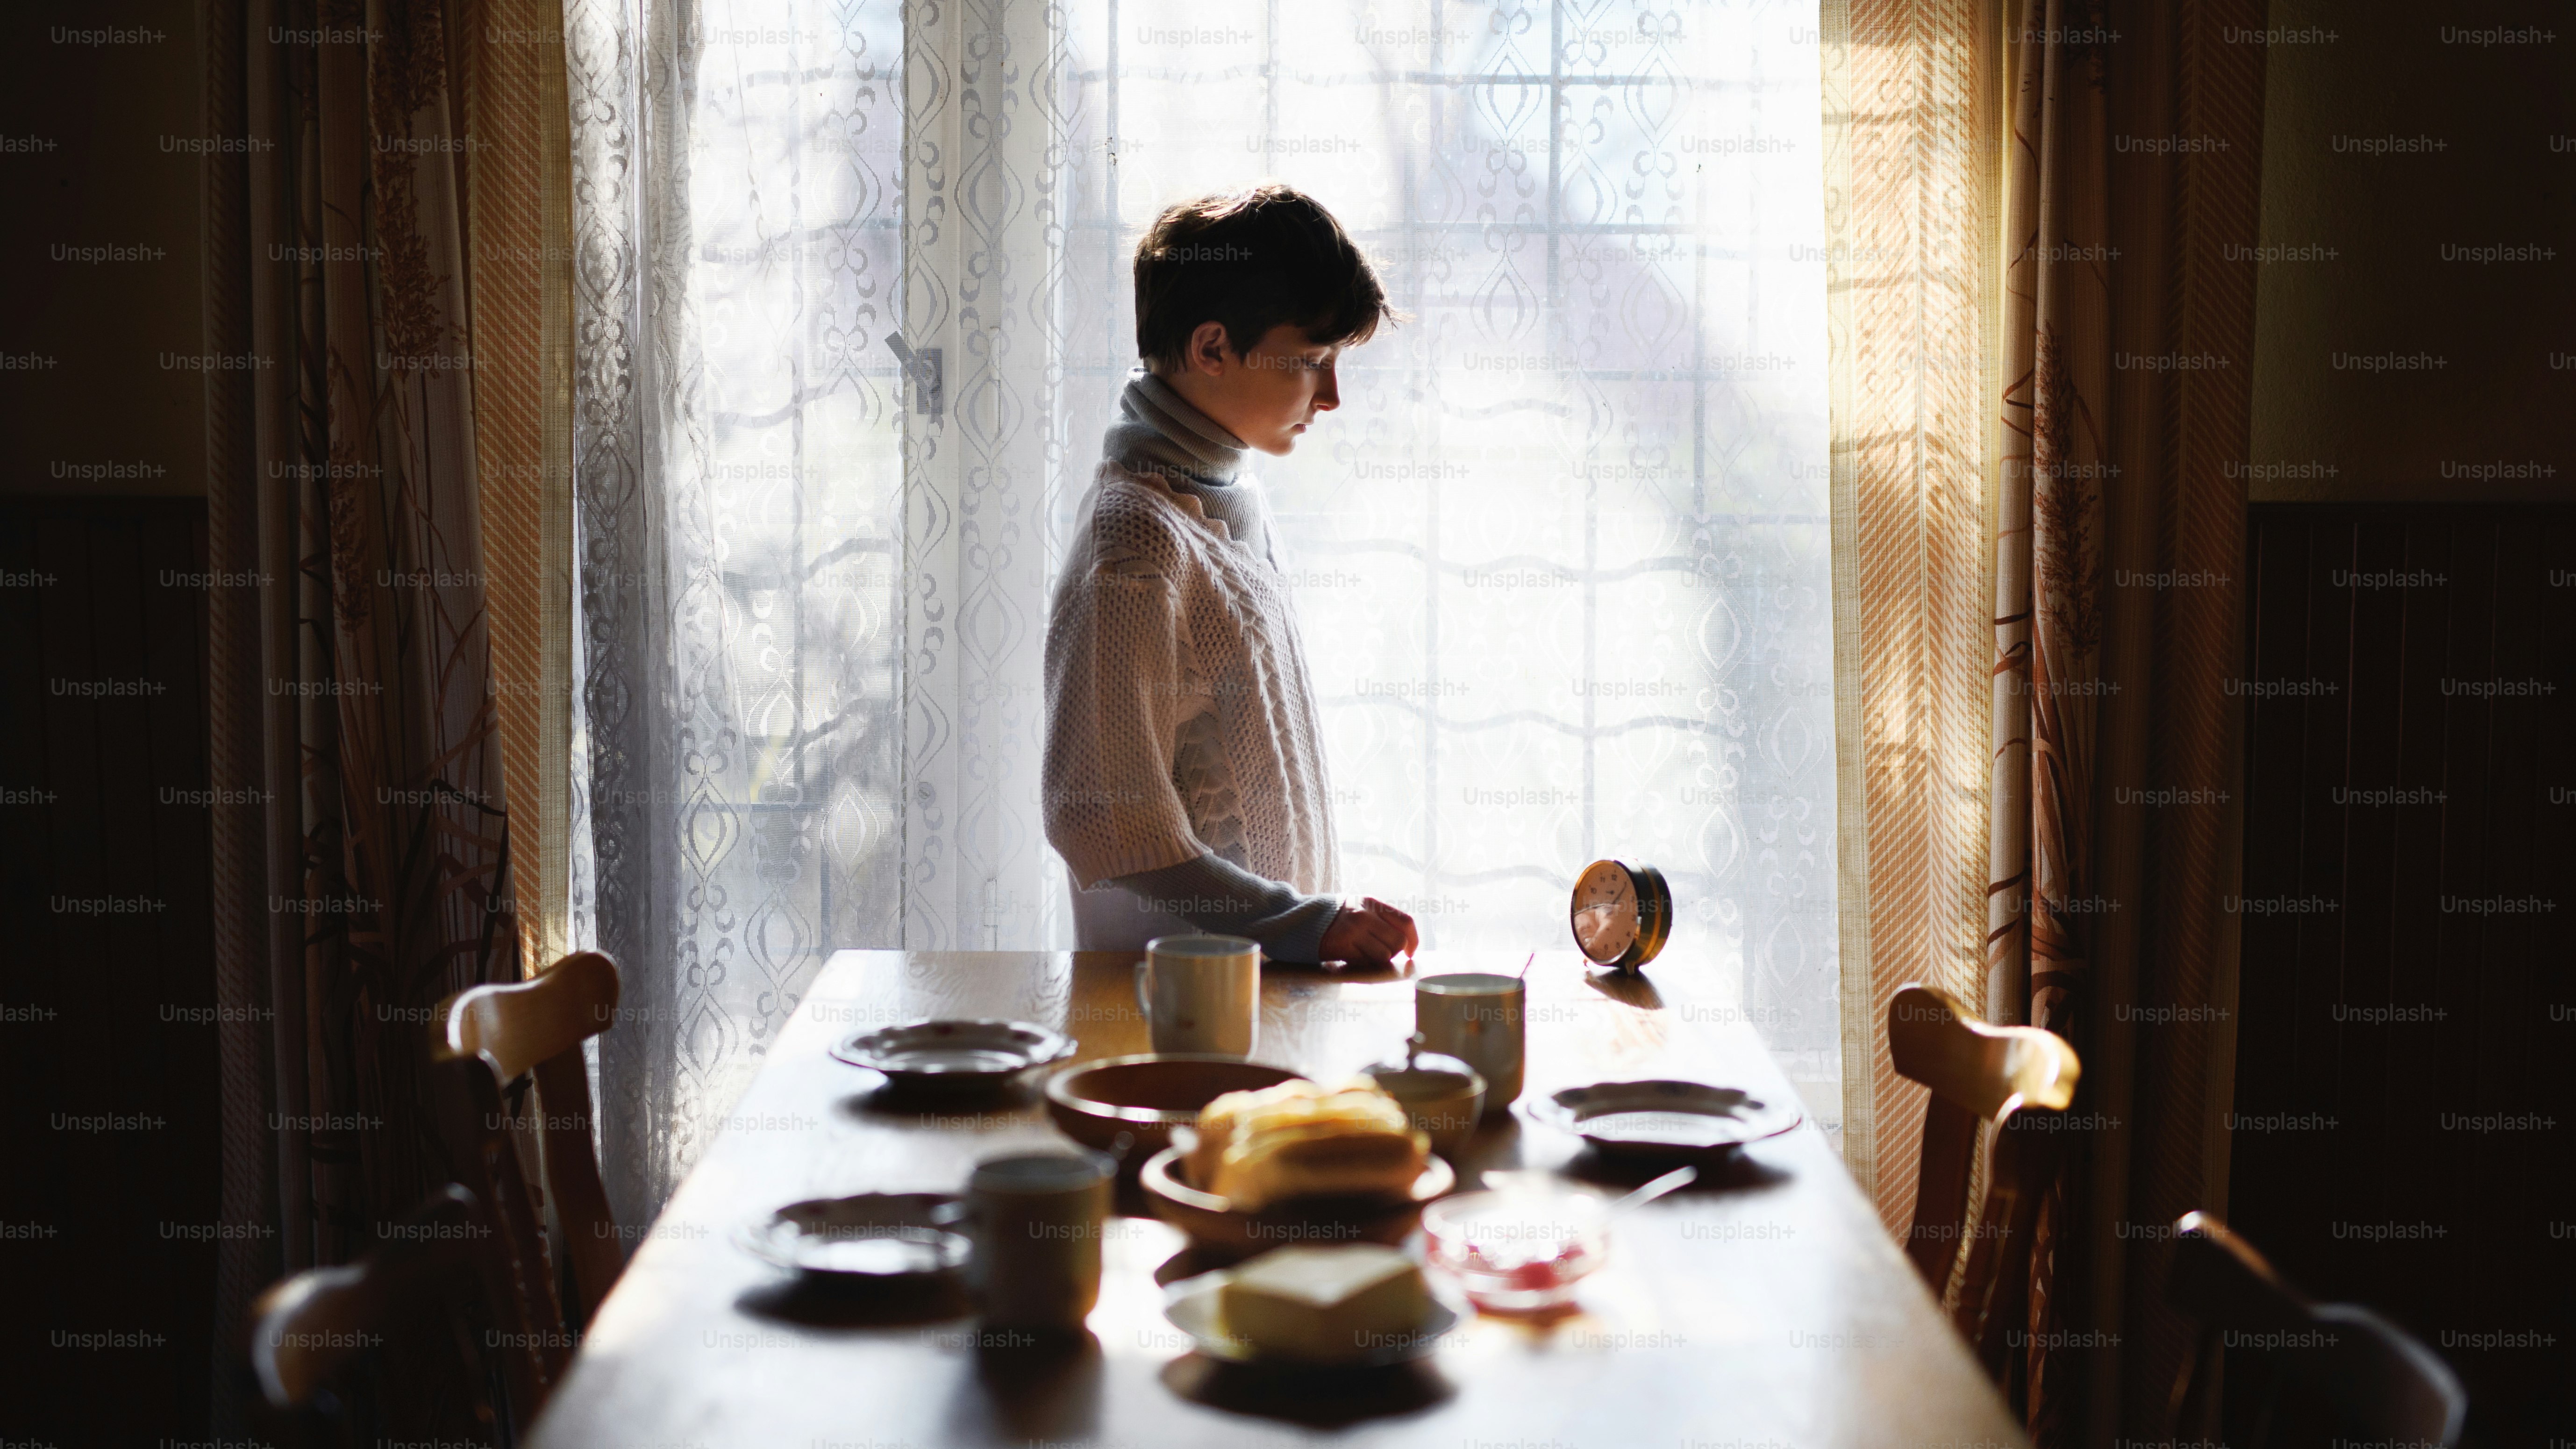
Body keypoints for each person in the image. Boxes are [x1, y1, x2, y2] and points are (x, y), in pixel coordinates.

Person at [1041, 183, 1419, 970]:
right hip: (1159, 1031)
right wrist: (1304, 924)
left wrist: (1311, 927)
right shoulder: (1135, 546)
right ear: (1212, 349)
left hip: (1255, 998)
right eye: (1313, 361)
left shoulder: (1231, 499)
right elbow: (1105, 821)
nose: (1333, 395)